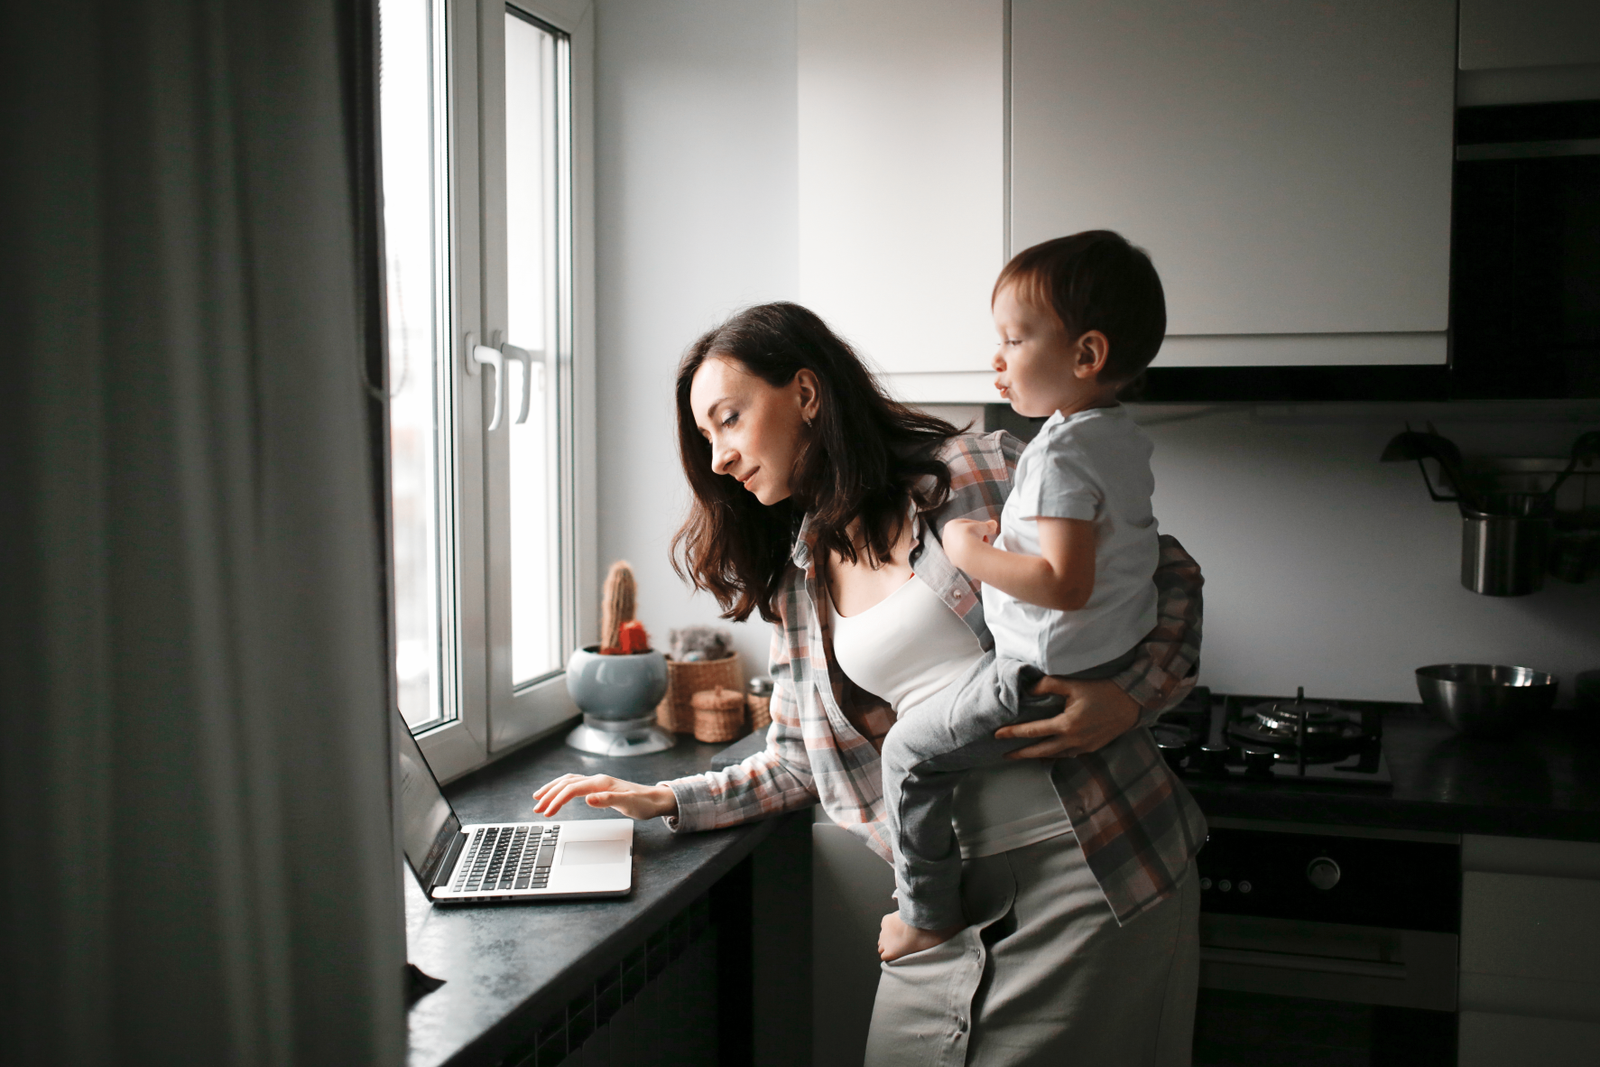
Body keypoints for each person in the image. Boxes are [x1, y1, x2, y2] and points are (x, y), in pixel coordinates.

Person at [533, 298, 1206, 1066]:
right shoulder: (799, 578)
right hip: (937, 898)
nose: (716, 457)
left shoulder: (973, 471)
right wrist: (671, 798)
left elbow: (1170, 577)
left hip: (1093, 867)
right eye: (704, 435)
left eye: (728, 418)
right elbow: (797, 760)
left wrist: (1129, 696)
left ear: (807, 395)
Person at [877, 230, 1176, 963]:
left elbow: (1065, 583)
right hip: (1104, 655)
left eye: (1014, 338)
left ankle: (925, 914)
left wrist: (969, 552)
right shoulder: (1116, 436)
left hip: (1037, 679)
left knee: (906, 753)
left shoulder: (1054, 453)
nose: (997, 358)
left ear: (1086, 355)